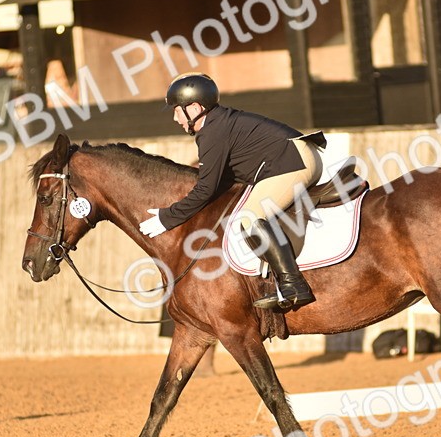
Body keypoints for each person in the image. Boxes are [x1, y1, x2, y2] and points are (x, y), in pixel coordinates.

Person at [139, 73, 326, 311]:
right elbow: (218, 181)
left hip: (294, 163)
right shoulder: (217, 123)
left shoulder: (212, 132)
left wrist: (168, 217)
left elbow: (206, 188)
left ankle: (293, 285)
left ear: (195, 108)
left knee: (249, 218)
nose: (175, 118)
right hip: (295, 156)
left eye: (177, 110)